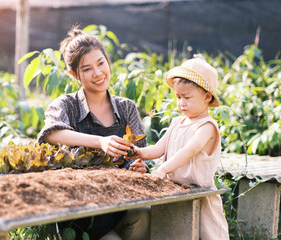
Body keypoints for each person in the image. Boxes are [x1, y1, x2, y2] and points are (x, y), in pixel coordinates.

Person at [37, 26, 149, 240]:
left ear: (108, 60)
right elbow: (50, 134)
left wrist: (139, 167)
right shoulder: (66, 105)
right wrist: (100, 142)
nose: (97, 73)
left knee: (144, 214)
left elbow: (141, 156)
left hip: (121, 204)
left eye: (100, 63)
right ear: (74, 74)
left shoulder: (126, 108)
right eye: (87, 69)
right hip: (82, 216)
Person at [129, 55, 230, 240]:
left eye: (187, 97)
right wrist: (138, 151)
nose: (181, 103)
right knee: (172, 232)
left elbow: (189, 150)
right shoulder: (177, 122)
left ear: (207, 96)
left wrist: (162, 169)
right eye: (178, 97)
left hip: (199, 193)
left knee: (205, 234)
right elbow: (158, 148)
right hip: (173, 191)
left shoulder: (207, 126)